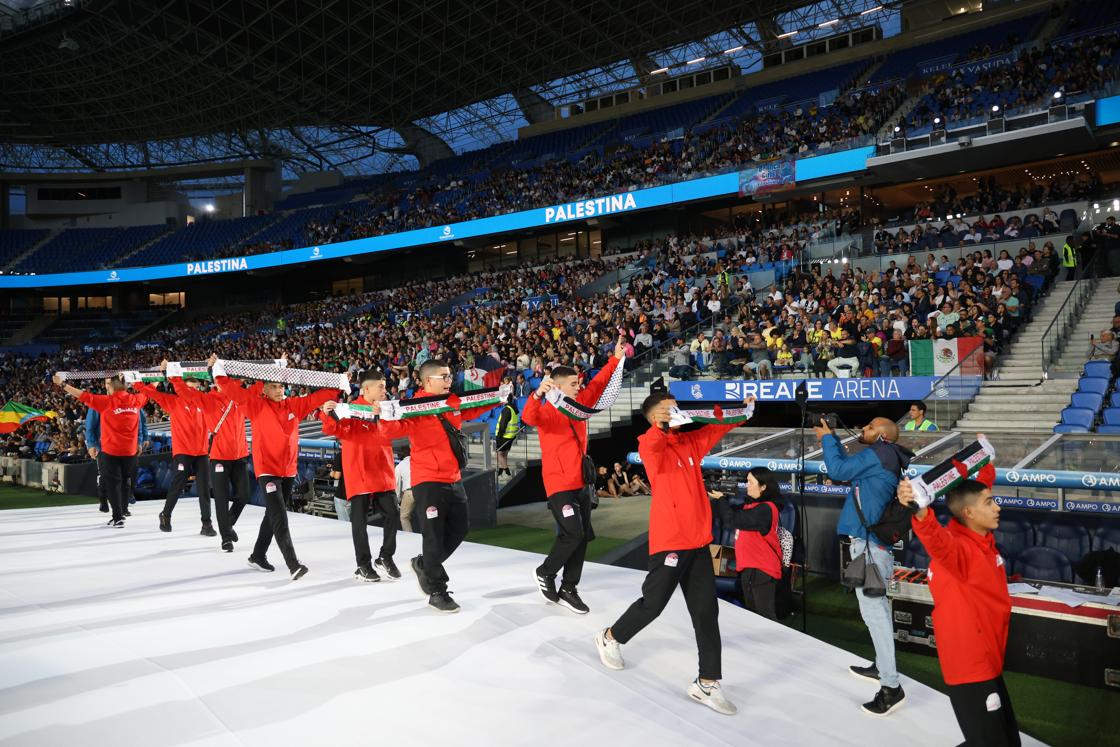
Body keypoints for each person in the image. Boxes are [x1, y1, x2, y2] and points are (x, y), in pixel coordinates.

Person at [594, 393, 756, 717]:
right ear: (657, 416)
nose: (678, 412)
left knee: (707, 614)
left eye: (677, 407)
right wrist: (662, 425)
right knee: (652, 605)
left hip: (698, 543)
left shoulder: (690, 443)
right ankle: (610, 636)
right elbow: (652, 442)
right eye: (670, 409)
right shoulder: (651, 446)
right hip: (670, 542)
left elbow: (717, 427)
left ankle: (707, 682)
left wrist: (742, 411)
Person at [373, 359, 504, 613]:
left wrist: (496, 398)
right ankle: (437, 590)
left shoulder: (450, 402)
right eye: (443, 377)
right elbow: (388, 433)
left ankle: (424, 564)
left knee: (459, 529)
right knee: (433, 537)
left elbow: (470, 409)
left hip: (453, 478)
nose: (449, 380)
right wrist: (385, 415)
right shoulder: (413, 407)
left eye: (449, 375)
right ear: (427, 381)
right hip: (427, 480)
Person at [896, 475, 1019, 746]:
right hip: (972, 668)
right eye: (990, 502)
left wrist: (983, 457)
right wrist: (920, 510)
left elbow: (975, 488)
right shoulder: (959, 550)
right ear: (969, 512)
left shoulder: (980, 538)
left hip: (988, 662)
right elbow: (936, 539)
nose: (997, 507)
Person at [816, 415, 914, 716]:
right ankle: (881, 665)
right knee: (878, 610)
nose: (864, 429)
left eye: (870, 426)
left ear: (882, 435)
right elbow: (849, 473)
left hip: (871, 548)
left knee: (875, 615)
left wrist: (827, 438)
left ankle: (891, 687)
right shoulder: (886, 457)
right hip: (873, 546)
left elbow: (838, 468)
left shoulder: (880, 453)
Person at [213, 360, 347, 580]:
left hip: (288, 471)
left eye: (281, 386)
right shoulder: (255, 404)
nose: (278, 390)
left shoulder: (294, 405)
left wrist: (339, 383)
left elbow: (318, 397)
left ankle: (257, 555)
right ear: (263, 388)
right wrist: (218, 372)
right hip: (267, 471)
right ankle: (293, 563)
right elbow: (229, 388)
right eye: (273, 386)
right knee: (279, 515)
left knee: (272, 515)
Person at [522, 340, 624, 613]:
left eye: (578, 383)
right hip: (559, 484)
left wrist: (614, 360)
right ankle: (546, 571)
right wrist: (536, 395)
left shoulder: (579, 405)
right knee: (573, 533)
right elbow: (528, 418)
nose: (579, 387)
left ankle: (569, 587)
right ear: (556, 386)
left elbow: (599, 383)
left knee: (581, 537)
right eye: (573, 384)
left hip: (582, 482)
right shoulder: (546, 410)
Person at [318, 373, 402, 582]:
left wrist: (384, 416)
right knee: (359, 522)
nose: (385, 391)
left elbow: (398, 431)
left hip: (383, 473)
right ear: (366, 390)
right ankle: (363, 565)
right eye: (381, 387)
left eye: (385, 387)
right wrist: (327, 413)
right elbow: (333, 428)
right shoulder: (350, 410)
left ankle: (385, 557)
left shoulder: (388, 409)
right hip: (361, 473)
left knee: (393, 514)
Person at [166, 359, 255, 552]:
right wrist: (172, 373)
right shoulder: (208, 399)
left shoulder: (240, 396)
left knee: (244, 495)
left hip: (240, 455)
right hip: (219, 456)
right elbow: (182, 389)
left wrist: (275, 367)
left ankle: (228, 524)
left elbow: (259, 386)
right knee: (221, 498)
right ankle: (225, 538)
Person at [53, 373, 147, 527]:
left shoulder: (105, 401)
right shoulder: (136, 400)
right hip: (130, 452)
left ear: (113, 386)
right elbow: (150, 389)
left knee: (113, 484)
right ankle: (122, 511)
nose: (106, 387)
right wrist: (162, 373)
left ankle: (118, 517)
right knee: (124, 482)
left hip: (111, 451)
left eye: (108, 385)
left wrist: (62, 384)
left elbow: (81, 395)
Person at [132, 373, 214, 536]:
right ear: (183, 386)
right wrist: (135, 381)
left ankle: (207, 524)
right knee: (178, 484)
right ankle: (166, 515)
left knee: (204, 489)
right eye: (191, 385)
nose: (194, 388)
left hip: (201, 452)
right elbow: (150, 392)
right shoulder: (173, 401)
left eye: (196, 385)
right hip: (183, 451)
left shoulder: (203, 402)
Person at [712, 467, 782, 620]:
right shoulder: (750, 505)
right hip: (749, 568)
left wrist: (721, 499)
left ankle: (773, 643)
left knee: (765, 617)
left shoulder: (766, 509)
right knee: (753, 615)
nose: (747, 485)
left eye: (750, 482)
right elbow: (725, 514)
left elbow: (732, 520)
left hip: (762, 569)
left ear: (763, 487)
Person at [86, 393, 148, 515]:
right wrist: (92, 444)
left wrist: (141, 439)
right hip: (105, 447)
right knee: (106, 477)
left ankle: (123, 507)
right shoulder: (99, 402)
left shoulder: (132, 401)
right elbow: (90, 426)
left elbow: (141, 422)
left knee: (127, 477)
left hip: (128, 447)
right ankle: (103, 498)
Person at [494, 395, 520, 477]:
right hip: (511, 436)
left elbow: (503, 424)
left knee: (498, 453)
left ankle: (506, 469)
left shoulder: (506, 409)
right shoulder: (513, 409)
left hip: (504, 436)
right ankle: (501, 470)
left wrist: (499, 436)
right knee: (504, 454)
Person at [396, 447, 414, 532]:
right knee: (427, 515)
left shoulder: (400, 466)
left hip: (409, 492)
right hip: (422, 490)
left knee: (404, 517)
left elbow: (397, 484)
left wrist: (398, 500)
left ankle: (409, 536)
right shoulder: (417, 461)